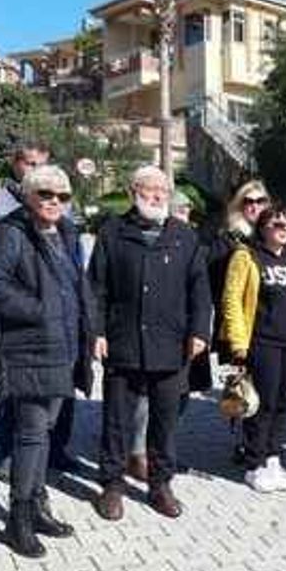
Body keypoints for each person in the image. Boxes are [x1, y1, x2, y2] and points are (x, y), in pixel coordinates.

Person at [90, 165, 211, 521]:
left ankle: (160, 485)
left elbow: (199, 290)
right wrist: (96, 332)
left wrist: (199, 331)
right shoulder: (112, 232)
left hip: (171, 344)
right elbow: (95, 288)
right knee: (116, 420)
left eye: (163, 190)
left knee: (164, 421)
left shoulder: (183, 235)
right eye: (149, 189)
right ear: (133, 192)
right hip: (123, 342)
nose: (158, 195)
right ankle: (112, 485)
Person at [0, 165, 88, 558]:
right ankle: (18, 518)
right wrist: (39, 310)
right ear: (28, 196)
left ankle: (39, 505)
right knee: (30, 434)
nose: (54, 202)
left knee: (46, 431)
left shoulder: (65, 232)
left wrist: (88, 329)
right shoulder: (11, 233)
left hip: (62, 349)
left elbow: (76, 286)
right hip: (30, 349)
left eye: (62, 196)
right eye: (46, 194)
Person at [0, 144, 79, 478]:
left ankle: (55, 450)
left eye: (42, 163)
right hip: (22, 326)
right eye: (30, 163)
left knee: (61, 387)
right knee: (17, 393)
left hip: (61, 323)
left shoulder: (60, 206)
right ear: (15, 164)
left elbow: (75, 262)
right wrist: (34, 306)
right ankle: (9, 452)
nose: (36, 169)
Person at [221, 207, 286, 492]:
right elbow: (232, 299)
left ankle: (272, 457)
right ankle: (254, 464)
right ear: (262, 228)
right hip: (261, 342)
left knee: (282, 403)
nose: (283, 228)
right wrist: (237, 343)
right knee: (261, 404)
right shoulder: (247, 256)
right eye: (276, 223)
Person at [205, 181, 271, 464]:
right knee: (244, 386)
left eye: (260, 201)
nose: (254, 206)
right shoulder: (228, 240)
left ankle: (259, 441)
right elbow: (215, 285)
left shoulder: (274, 235)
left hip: (269, 324)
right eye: (248, 201)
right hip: (239, 326)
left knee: (266, 387)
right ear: (239, 205)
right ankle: (246, 443)